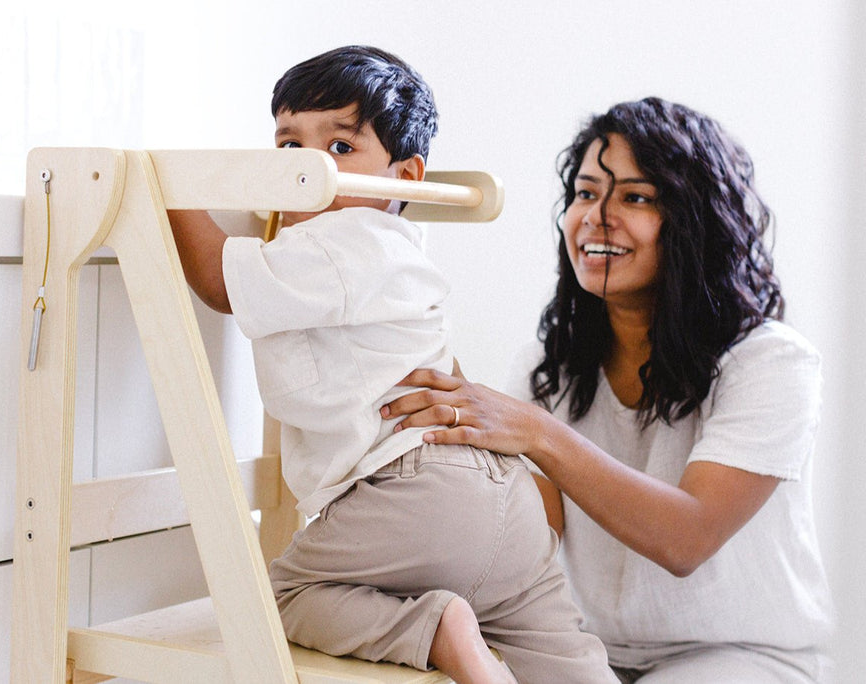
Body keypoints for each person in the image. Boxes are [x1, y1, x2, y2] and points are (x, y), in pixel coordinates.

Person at [168, 45, 616, 684]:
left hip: (409, 493)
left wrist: (162, 185)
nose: (308, 169)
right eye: (289, 147)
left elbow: (217, 280)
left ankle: (431, 628)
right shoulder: (386, 244)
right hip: (504, 497)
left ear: (404, 180)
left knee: (279, 598)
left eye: (341, 149)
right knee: (559, 655)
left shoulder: (339, 244)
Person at [382, 97, 835, 683]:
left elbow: (687, 538)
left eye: (636, 197)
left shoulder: (771, 361)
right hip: (597, 653)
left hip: (743, 656)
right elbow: (529, 538)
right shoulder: (553, 370)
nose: (596, 217)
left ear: (696, 221)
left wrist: (536, 433)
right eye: (586, 193)